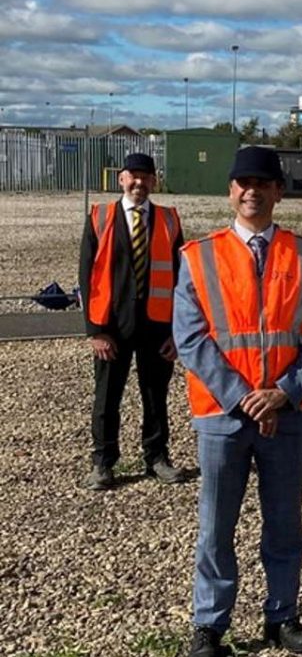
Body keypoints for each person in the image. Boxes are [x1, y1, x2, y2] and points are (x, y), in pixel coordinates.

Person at [173, 146, 302, 657]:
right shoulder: (198, 256)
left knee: (284, 524)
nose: (252, 191)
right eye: (243, 182)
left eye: (262, 183)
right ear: (230, 190)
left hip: (288, 415)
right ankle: (210, 626)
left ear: (278, 192)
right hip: (225, 417)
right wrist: (246, 396)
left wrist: (284, 392)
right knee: (216, 527)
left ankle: (281, 615)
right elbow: (191, 339)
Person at [79, 152, 185, 490]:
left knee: (155, 396)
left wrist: (178, 331)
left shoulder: (170, 220)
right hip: (112, 326)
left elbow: (183, 279)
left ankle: (156, 458)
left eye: (146, 176)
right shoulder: (100, 216)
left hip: (157, 325)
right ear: (121, 179)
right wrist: (95, 331)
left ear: (154, 181)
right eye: (132, 176)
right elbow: (86, 276)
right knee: (107, 396)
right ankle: (103, 463)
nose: (139, 182)